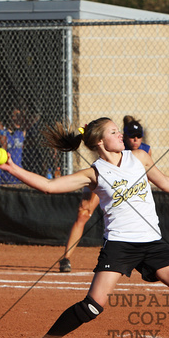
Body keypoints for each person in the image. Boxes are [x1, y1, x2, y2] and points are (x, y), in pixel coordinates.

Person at [0, 117, 169, 338]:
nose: (120, 135)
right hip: (119, 246)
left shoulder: (140, 158)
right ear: (100, 141)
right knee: (92, 307)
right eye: (114, 132)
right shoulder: (95, 173)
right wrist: (13, 168)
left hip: (153, 243)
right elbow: (50, 186)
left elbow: (165, 182)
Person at [59, 116, 151, 273]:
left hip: (124, 190)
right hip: (105, 177)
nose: (135, 140)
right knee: (84, 212)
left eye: (139, 136)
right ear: (125, 136)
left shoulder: (143, 151)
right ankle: (66, 257)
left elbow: (147, 174)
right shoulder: (115, 145)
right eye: (131, 136)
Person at [0, 107, 26, 184]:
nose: (18, 118)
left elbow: (34, 118)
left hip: (17, 172)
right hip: (3, 173)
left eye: (20, 116)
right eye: (16, 115)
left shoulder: (21, 132)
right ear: (10, 117)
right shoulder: (2, 132)